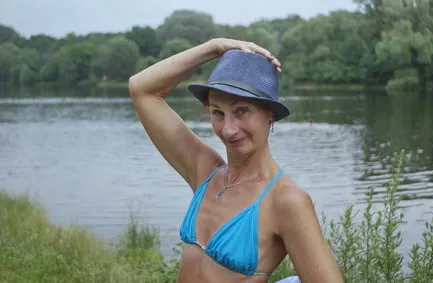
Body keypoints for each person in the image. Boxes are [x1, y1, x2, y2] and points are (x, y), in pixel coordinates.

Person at [128, 38, 343, 283]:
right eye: (217, 112)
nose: (228, 129)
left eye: (242, 111)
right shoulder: (205, 172)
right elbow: (141, 89)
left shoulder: (286, 200)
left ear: (270, 113)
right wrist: (214, 47)